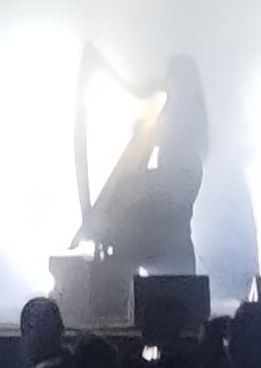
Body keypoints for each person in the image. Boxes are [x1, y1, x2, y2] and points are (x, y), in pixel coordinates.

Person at [85, 54, 211, 275]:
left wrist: (131, 182)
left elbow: (167, 193)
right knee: (120, 232)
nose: (167, 86)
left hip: (170, 251)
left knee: (121, 237)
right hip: (172, 250)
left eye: (170, 80)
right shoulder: (182, 131)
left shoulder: (183, 144)